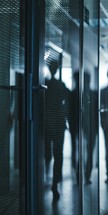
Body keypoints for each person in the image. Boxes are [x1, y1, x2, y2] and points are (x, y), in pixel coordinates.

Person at [44, 59, 70, 200]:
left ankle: (52, 179)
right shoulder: (60, 85)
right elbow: (66, 104)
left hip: (49, 123)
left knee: (50, 153)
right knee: (57, 154)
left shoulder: (46, 85)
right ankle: (55, 181)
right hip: (57, 123)